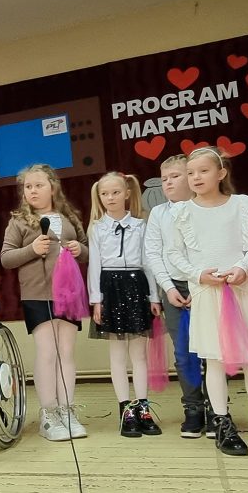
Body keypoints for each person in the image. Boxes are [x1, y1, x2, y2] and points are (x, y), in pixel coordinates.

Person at [167, 148, 248, 456]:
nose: (196, 177)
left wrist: (243, 268)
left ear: (221, 173)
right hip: (207, 293)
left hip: (240, 290)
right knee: (214, 360)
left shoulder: (241, 206)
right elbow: (174, 253)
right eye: (191, 173)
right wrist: (198, 274)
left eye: (203, 171)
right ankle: (222, 421)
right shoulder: (182, 212)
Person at [1, 164, 88, 441]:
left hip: (69, 294)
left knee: (66, 352)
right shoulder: (19, 222)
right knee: (47, 352)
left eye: (38, 185)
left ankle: (67, 410)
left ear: (53, 187)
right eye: (28, 186)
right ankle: (48, 414)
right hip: (37, 294)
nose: (33, 191)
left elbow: (87, 251)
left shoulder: (69, 217)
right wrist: (32, 249)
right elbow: (6, 258)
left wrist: (80, 249)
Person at [86, 172, 161, 436]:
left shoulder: (141, 226)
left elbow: (148, 262)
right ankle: (126, 411)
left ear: (127, 193)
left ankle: (143, 409)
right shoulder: (96, 228)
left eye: (116, 192)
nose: (110, 198)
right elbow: (94, 265)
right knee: (117, 355)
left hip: (136, 285)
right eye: (105, 194)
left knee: (139, 355)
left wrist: (154, 296)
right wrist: (96, 300)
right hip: (110, 287)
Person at [144, 154, 208, 438]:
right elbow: (153, 254)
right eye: (164, 178)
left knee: (211, 350)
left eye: (175, 176)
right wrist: (168, 288)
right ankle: (193, 408)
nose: (168, 183)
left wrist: (200, 284)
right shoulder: (159, 214)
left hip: (204, 286)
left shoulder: (204, 208)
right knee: (183, 353)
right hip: (174, 290)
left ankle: (217, 407)